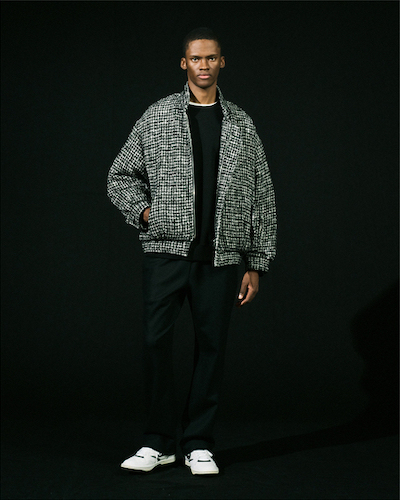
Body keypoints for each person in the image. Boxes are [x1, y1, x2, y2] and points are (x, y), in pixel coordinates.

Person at [107, 27, 277, 475]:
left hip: (221, 259)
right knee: (155, 343)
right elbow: (120, 175)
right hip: (165, 254)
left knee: (212, 348)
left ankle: (199, 442)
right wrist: (146, 213)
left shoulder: (241, 123)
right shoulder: (158, 115)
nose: (204, 65)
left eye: (211, 58)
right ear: (184, 63)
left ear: (222, 62)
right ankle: (158, 442)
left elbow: (262, 195)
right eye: (196, 59)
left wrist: (256, 264)